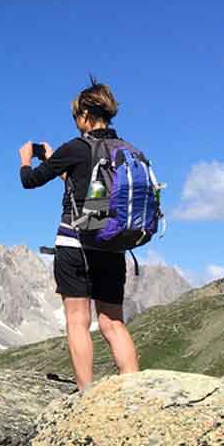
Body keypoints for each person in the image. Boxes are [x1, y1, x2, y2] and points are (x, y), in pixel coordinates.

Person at [18, 77, 139, 391]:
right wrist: (60, 166)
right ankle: (136, 391)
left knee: (78, 321)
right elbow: (94, 193)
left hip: (75, 244)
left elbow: (30, 182)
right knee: (113, 323)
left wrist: (24, 161)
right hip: (113, 247)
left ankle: (86, 393)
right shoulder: (127, 151)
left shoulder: (75, 147)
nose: (75, 122)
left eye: (75, 117)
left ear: (85, 114)